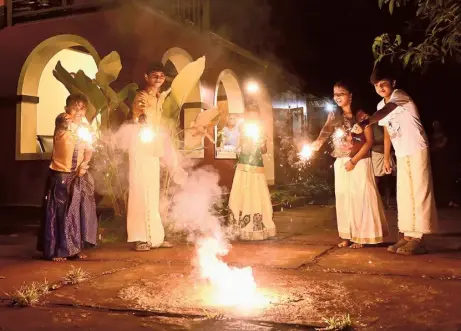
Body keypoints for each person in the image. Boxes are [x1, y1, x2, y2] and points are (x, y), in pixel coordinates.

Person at [352, 66, 438, 255]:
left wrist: (366, 122)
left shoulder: (400, 95)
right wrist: (387, 155)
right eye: (376, 85)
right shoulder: (379, 106)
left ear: (393, 84)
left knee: (419, 191)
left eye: (384, 84)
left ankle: (419, 238)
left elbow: (387, 111)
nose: (380, 88)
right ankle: (407, 235)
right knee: (405, 194)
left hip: (416, 148)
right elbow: (387, 131)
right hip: (401, 152)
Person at [121, 58, 204, 251]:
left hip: (154, 148)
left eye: (161, 75)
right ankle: (140, 238)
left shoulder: (161, 97)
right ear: (146, 77)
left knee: (153, 193)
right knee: (140, 191)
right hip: (141, 148)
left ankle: (156, 237)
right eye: (154, 75)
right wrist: (140, 119)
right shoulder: (141, 96)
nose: (158, 78)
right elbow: (138, 114)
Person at [312, 82, 388, 249]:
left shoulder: (362, 116)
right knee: (344, 197)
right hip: (340, 161)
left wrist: (353, 161)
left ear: (351, 96)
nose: (337, 97)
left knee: (360, 197)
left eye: (341, 93)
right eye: (335, 94)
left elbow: (369, 142)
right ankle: (347, 235)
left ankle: (362, 236)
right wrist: (318, 141)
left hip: (359, 161)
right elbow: (326, 129)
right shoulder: (334, 115)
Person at [37, 94, 98, 261]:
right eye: (75, 107)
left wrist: (85, 165)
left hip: (78, 175)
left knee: (76, 213)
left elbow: (89, 149)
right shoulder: (62, 121)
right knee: (60, 212)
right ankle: (57, 250)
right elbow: (70, 124)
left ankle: (73, 249)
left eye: (82, 108)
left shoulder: (84, 128)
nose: (79, 110)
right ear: (67, 109)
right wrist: (83, 127)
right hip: (61, 174)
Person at [228, 106, 276, 241]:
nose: (252, 118)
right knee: (240, 194)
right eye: (250, 116)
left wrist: (261, 143)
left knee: (256, 194)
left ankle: (256, 227)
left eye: (255, 116)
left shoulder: (261, 129)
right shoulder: (241, 128)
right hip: (243, 165)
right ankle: (238, 227)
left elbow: (264, 149)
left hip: (256, 167)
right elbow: (236, 145)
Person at [371, 124, 395, 209]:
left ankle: (387, 203)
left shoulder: (388, 124)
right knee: (375, 180)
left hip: (387, 154)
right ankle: (375, 203)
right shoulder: (372, 126)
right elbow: (371, 140)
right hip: (377, 154)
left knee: (388, 180)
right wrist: (384, 139)